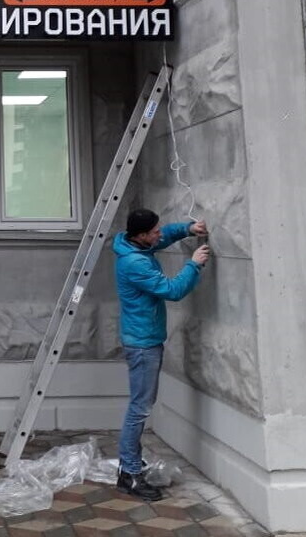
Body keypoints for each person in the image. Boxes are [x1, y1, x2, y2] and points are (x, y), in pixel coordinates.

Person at [112, 208, 210, 501]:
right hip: (143, 345)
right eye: (154, 231)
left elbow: (163, 237)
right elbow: (172, 290)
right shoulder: (135, 263)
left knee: (140, 405)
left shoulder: (134, 244)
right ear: (141, 235)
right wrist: (194, 264)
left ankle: (130, 465)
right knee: (140, 408)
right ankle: (129, 474)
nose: (159, 234)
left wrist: (187, 229)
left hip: (144, 339)